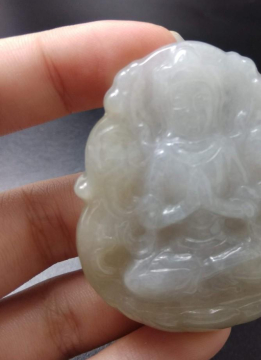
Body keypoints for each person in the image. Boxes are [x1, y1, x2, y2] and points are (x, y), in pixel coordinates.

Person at [0, 21, 230, 359]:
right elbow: (151, 213)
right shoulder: (160, 156)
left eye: (200, 102)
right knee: (140, 277)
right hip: (173, 251)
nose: (191, 111)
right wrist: (174, 210)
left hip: (218, 242)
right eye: (181, 103)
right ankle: (201, 274)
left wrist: (230, 206)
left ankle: (215, 269)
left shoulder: (221, 151)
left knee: (259, 258)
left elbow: (239, 203)